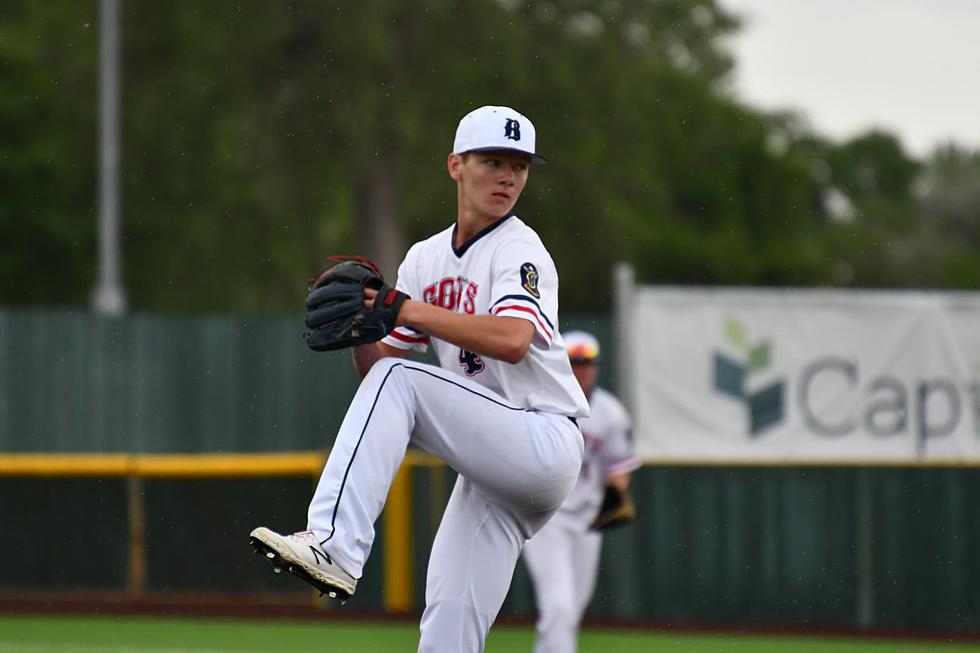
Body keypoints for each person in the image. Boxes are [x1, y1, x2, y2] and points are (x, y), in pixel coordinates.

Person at [250, 105, 588, 652]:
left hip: (543, 439)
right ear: (456, 165)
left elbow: (512, 339)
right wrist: (360, 328)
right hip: (493, 465)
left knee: (404, 381)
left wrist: (403, 310)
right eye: (493, 161)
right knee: (447, 624)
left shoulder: (519, 248)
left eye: (520, 166)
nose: (507, 176)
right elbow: (380, 371)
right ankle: (340, 547)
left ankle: (335, 544)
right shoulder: (426, 258)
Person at [522, 330, 640, 653]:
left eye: (588, 362)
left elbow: (618, 467)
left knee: (572, 608)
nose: (582, 369)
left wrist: (615, 495)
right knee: (559, 604)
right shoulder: (539, 401)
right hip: (547, 518)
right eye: (575, 362)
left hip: (588, 519)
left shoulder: (610, 411)